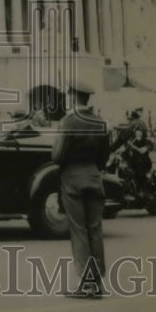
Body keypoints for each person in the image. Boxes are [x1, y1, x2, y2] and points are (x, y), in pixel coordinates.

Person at [51, 80, 110, 299]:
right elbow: (105, 154)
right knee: (95, 229)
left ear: (73, 97)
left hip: (72, 178)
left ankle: (86, 284)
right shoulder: (100, 122)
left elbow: (58, 155)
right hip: (94, 176)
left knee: (79, 231)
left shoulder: (68, 121)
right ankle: (97, 282)